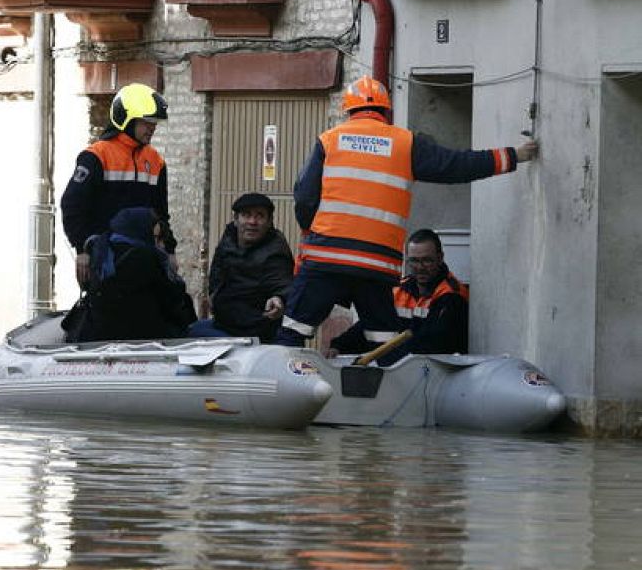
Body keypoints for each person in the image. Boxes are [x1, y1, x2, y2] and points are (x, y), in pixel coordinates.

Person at [275, 75, 538, 348]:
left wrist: (312, 231)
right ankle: (382, 387)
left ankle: (285, 384)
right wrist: (511, 156)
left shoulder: (329, 140)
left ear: (348, 109)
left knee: (293, 332)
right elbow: (455, 165)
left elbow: (304, 198)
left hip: (326, 258)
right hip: (376, 266)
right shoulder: (405, 143)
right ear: (386, 110)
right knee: (383, 343)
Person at [61, 82, 178, 288]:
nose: (153, 127)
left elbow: (161, 212)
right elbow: (72, 205)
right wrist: (82, 249)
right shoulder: (97, 155)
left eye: (155, 122)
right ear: (126, 119)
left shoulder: (156, 161)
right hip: (106, 257)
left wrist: (169, 250)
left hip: (145, 258)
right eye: (147, 121)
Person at [328, 228, 469, 362]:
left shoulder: (452, 295)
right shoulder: (398, 290)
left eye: (427, 260)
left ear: (440, 258)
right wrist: (339, 346)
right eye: (414, 261)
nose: (420, 267)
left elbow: (435, 343)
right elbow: (372, 324)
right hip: (399, 368)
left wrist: (387, 355)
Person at [62, 207, 196, 342]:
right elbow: (173, 304)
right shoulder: (146, 258)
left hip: (99, 336)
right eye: (155, 238)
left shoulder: (103, 252)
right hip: (148, 338)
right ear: (141, 232)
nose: (160, 245)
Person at [188, 192, 294, 343]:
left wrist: (278, 299)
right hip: (223, 324)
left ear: (269, 221)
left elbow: (281, 283)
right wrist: (214, 296)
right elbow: (217, 274)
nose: (252, 221)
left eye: (259, 216)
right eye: (246, 215)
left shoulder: (275, 250)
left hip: (255, 332)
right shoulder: (228, 240)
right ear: (236, 220)